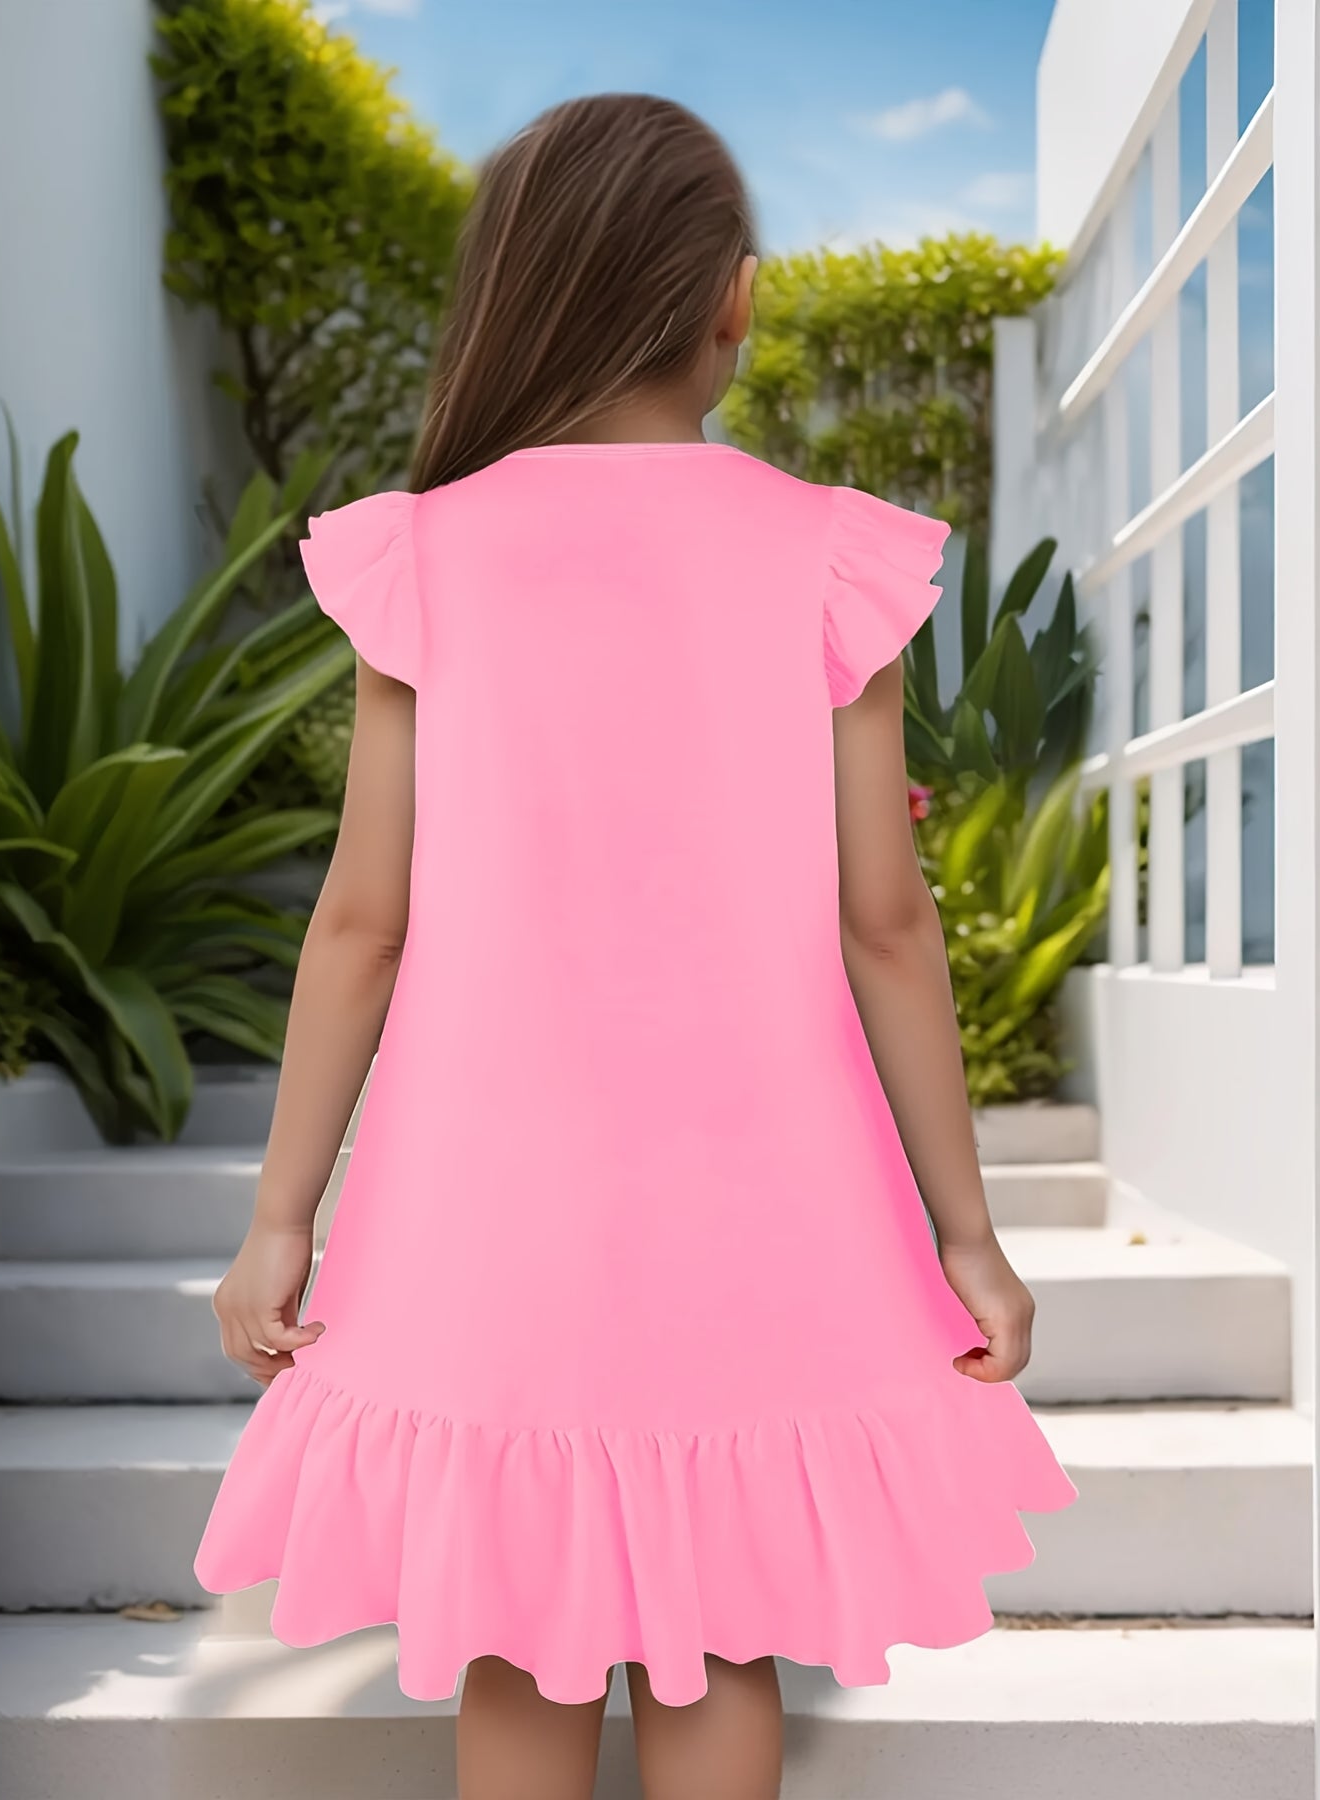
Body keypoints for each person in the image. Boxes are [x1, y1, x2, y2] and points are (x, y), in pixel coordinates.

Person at [194, 91, 1076, 1800]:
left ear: (513, 291)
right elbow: (885, 921)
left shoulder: (424, 554)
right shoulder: (829, 556)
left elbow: (362, 918)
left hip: (484, 1200)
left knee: (518, 1633)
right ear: (731, 298)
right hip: (758, 1195)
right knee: (722, 1631)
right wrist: (964, 1234)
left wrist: (281, 1216)